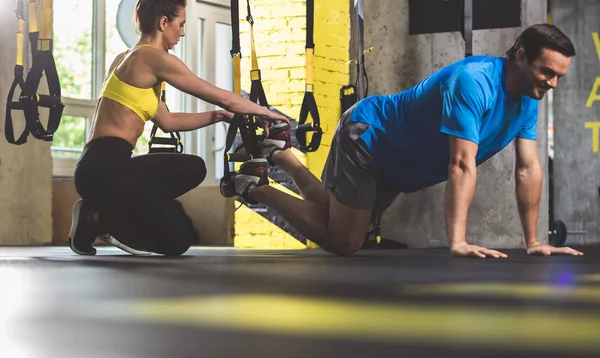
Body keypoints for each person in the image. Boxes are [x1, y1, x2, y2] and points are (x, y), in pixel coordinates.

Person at [221, 23, 584, 258]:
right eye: (547, 72)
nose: (552, 84)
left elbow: (528, 169)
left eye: (558, 77)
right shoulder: (474, 82)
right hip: (369, 136)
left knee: (336, 218)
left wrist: (533, 241)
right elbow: (460, 163)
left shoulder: (527, 101)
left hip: (399, 166)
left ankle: (281, 156)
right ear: (521, 56)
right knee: (345, 241)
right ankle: (253, 187)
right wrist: (457, 241)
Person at [69, 0, 288, 256]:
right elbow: (217, 93)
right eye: (180, 24)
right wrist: (265, 112)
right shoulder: (151, 58)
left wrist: (219, 116)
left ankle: (99, 209)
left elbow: (168, 121)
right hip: (104, 171)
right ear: (163, 23)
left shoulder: (130, 59)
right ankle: (98, 216)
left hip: (103, 167)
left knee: (193, 167)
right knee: (178, 241)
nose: (182, 32)